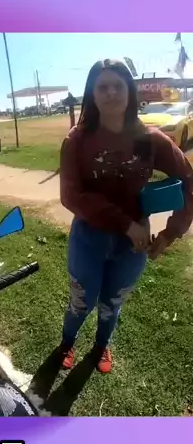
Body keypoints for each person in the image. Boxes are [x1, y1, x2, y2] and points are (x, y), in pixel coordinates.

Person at [58, 58, 193, 374]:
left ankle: (101, 346)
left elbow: (189, 182)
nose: (110, 93)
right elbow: (70, 196)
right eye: (102, 87)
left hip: (133, 246)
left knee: (112, 303)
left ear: (130, 91)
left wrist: (171, 233)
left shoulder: (150, 139)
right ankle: (66, 343)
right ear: (92, 94)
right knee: (81, 302)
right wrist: (125, 223)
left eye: (118, 86)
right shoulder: (77, 141)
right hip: (88, 238)